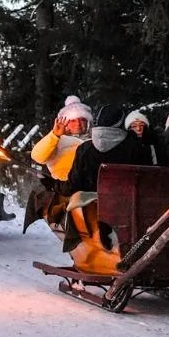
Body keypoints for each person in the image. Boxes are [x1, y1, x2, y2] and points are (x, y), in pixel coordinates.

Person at [60, 103, 158, 274]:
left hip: (96, 210)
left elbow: (73, 185)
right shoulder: (137, 148)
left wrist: (54, 185)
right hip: (131, 207)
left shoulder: (85, 149)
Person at [24, 95, 91, 232]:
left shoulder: (95, 140)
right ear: (65, 123)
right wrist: (55, 135)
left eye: (82, 120)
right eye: (73, 120)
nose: (78, 124)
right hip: (66, 190)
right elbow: (37, 156)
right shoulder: (58, 141)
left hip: (94, 187)